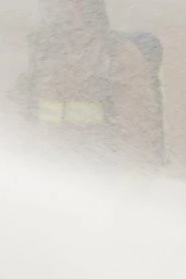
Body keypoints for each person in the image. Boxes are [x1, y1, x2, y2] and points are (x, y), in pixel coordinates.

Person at [16, 0, 166, 168]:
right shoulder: (42, 54)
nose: (64, 6)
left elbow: (139, 132)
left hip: (99, 174)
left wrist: (130, 186)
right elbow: (24, 119)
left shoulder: (117, 55)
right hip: (45, 171)